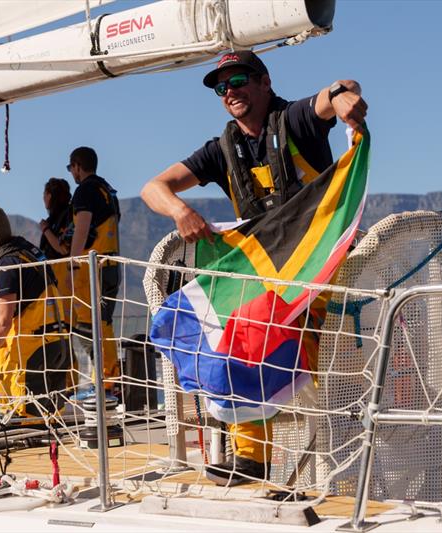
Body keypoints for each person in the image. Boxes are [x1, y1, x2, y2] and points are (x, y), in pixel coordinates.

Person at [140, 50, 367, 485]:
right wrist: (179, 211)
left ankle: (353, 458)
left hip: (321, 270)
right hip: (266, 280)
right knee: (228, 340)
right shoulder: (220, 151)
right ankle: (252, 458)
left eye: (239, 80)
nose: (231, 92)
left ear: (264, 82)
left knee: (324, 368)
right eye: (221, 87)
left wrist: (344, 99)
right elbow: (153, 187)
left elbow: (338, 90)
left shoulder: (296, 120)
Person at [0, 205, 68, 418]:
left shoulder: (6, 265)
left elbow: (3, 322)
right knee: (46, 416)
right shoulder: (26, 253)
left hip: (29, 355)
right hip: (53, 345)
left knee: (26, 421)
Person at [66, 147, 121, 390]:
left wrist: (71, 262)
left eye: (71, 168)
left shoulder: (84, 191)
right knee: (104, 321)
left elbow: (82, 227)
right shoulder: (107, 190)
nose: (72, 174)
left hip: (91, 267)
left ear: (78, 166)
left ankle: (105, 381)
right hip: (110, 264)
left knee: (90, 324)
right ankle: (110, 379)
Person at [38, 177, 73, 322]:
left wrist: (45, 229)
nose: (43, 198)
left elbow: (63, 248)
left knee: (63, 320)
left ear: (50, 195)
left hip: (62, 275)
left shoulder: (67, 215)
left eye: (44, 194)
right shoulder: (55, 217)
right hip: (53, 276)